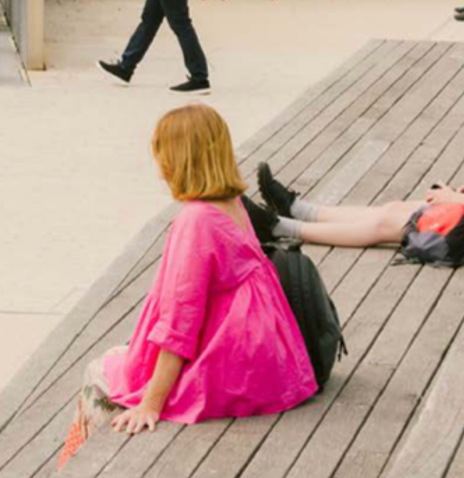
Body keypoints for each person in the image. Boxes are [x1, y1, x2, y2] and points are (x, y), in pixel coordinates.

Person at [63, 105, 316, 455]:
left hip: (233, 369)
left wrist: (151, 403)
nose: (160, 172)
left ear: (181, 161)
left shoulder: (196, 220)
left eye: (163, 160)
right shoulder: (233, 203)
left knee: (99, 370)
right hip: (266, 361)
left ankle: (74, 458)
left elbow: (181, 322)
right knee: (119, 356)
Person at [251, 23, 464, 256]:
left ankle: (281, 227)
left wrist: (457, 199)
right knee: (393, 208)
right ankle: (298, 209)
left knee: (385, 223)